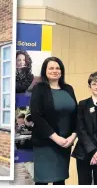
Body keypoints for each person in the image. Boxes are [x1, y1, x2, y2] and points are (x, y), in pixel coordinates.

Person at [29, 57, 78, 185]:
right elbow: (36, 116)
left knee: (60, 180)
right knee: (42, 181)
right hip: (45, 143)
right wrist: (56, 138)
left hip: (65, 143)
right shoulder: (39, 88)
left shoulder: (68, 89)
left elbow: (76, 115)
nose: (55, 71)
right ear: (45, 71)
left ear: (61, 71)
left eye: (58, 68)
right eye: (51, 68)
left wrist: (73, 136)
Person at [71, 72, 97, 185]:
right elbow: (80, 129)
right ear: (89, 86)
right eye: (94, 84)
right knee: (84, 182)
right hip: (84, 152)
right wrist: (93, 151)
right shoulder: (82, 104)